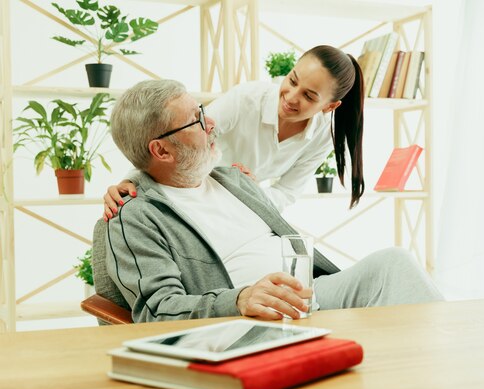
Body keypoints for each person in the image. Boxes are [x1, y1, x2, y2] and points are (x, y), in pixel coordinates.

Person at [105, 79, 442, 323]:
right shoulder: (136, 216)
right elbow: (157, 309)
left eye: (203, 110)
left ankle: (455, 364)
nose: (210, 123)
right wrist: (239, 300)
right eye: (196, 120)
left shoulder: (233, 180)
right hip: (255, 319)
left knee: (394, 267)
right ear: (161, 150)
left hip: (310, 293)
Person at [103, 44, 365, 218]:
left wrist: (250, 193)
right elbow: (177, 136)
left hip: (246, 210)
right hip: (196, 193)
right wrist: (130, 181)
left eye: (308, 96)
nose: (291, 97)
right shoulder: (246, 100)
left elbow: (286, 192)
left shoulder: (320, 137)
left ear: (330, 106)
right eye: (292, 80)